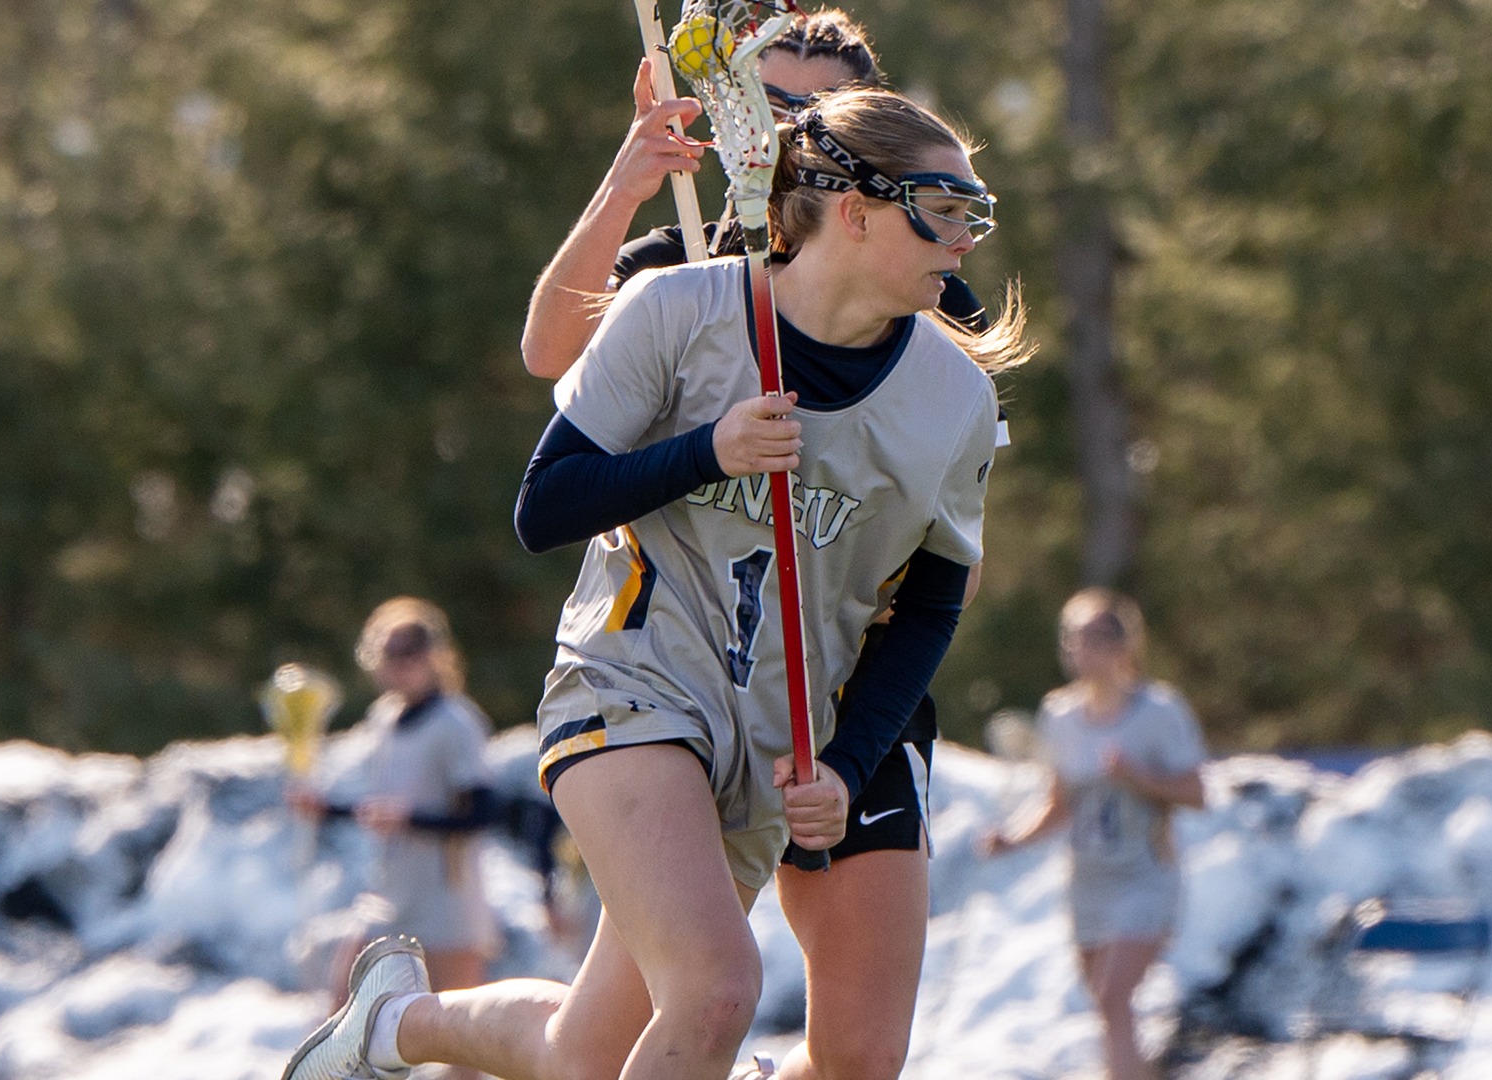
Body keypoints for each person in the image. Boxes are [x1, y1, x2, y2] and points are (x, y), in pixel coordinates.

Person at [282, 85, 1023, 1080]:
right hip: (631, 685)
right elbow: (545, 506)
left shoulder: (957, 397)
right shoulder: (680, 310)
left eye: (975, 214)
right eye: (944, 209)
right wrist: (707, 452)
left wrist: (848, 764)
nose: (966, 239)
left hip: (771, 744)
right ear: (854, 210)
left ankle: (393, 1027)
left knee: (588, 1055)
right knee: (719, 990)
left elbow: (933, 604)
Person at [518, 13, 1004, 1080]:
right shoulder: (685, 282)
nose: (781, 130)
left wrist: (846, 753)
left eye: (805, 113)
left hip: (842, 691)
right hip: (668, 675)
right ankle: (402, 1029)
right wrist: (626, 191)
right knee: (685, 1008)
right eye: (766, 106)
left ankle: (397, 1028)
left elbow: (931, 568)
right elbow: (550, 368)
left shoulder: (929, 318)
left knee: (840, 1058)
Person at [977, 589, 1208, 1080]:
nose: (1080, 652)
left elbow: (1195, 792)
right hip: (1088, 883)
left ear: (1122, 647)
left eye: (1092, 640)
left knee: (1114, 996)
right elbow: (1059, 803)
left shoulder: (1159, 712)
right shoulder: (1060, 716)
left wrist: (1137, 776)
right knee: (1108, 1009)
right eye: (1073, 640)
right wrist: (1012, 839)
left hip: (1146, 874)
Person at [285, 596, 509, 1077]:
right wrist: (326, 809)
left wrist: (413, 820)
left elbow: (483, 813)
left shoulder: (456, 722)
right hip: (388, 894)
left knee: (460, 1042)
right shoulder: (383, 719)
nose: (400, 666)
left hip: (448, 900)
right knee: (341, 1012)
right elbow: (382, 808)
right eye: (390, 655)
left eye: (411, 653)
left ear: (434, 656)